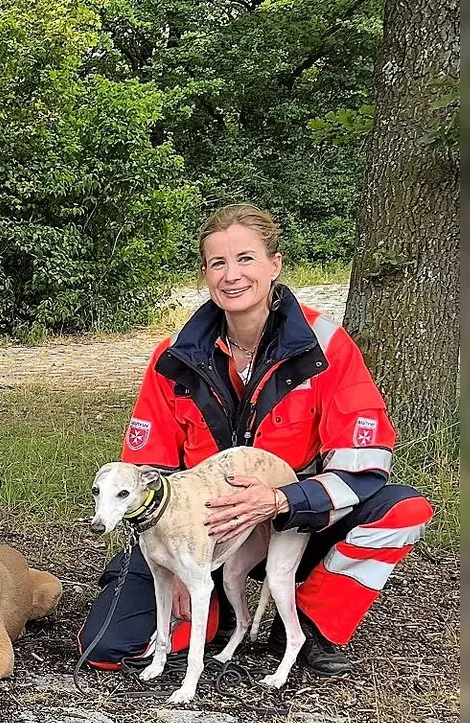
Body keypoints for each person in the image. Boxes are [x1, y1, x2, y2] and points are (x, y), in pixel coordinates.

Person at [79, 203, 435, 675]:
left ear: (275, 264)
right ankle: (221, 608)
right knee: (109, 650)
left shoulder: (327, 346)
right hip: (197, 533)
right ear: (205, 273)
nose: (232, 275)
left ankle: (308, 626)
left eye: (246, 259)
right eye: (218, 263)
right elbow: (146, 471)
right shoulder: (172, 356)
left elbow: (364, 461)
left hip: (296, 522)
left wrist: (280, 500)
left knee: (403, 509)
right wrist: (176, 563)